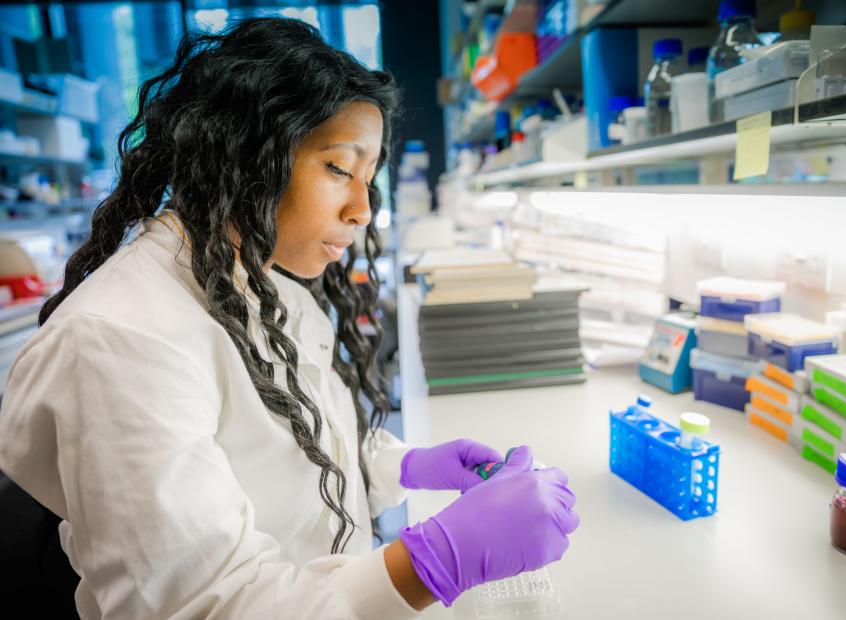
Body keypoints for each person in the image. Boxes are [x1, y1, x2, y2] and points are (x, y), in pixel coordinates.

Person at [0, 18, 579, 619]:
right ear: (244, 152)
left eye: (368, 178)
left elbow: (287, 449)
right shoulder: (121, 339)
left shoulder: (261, 282)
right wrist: (435, 562)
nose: (362, 210)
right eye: (339, 169)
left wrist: (399, 465)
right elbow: (202, 606)